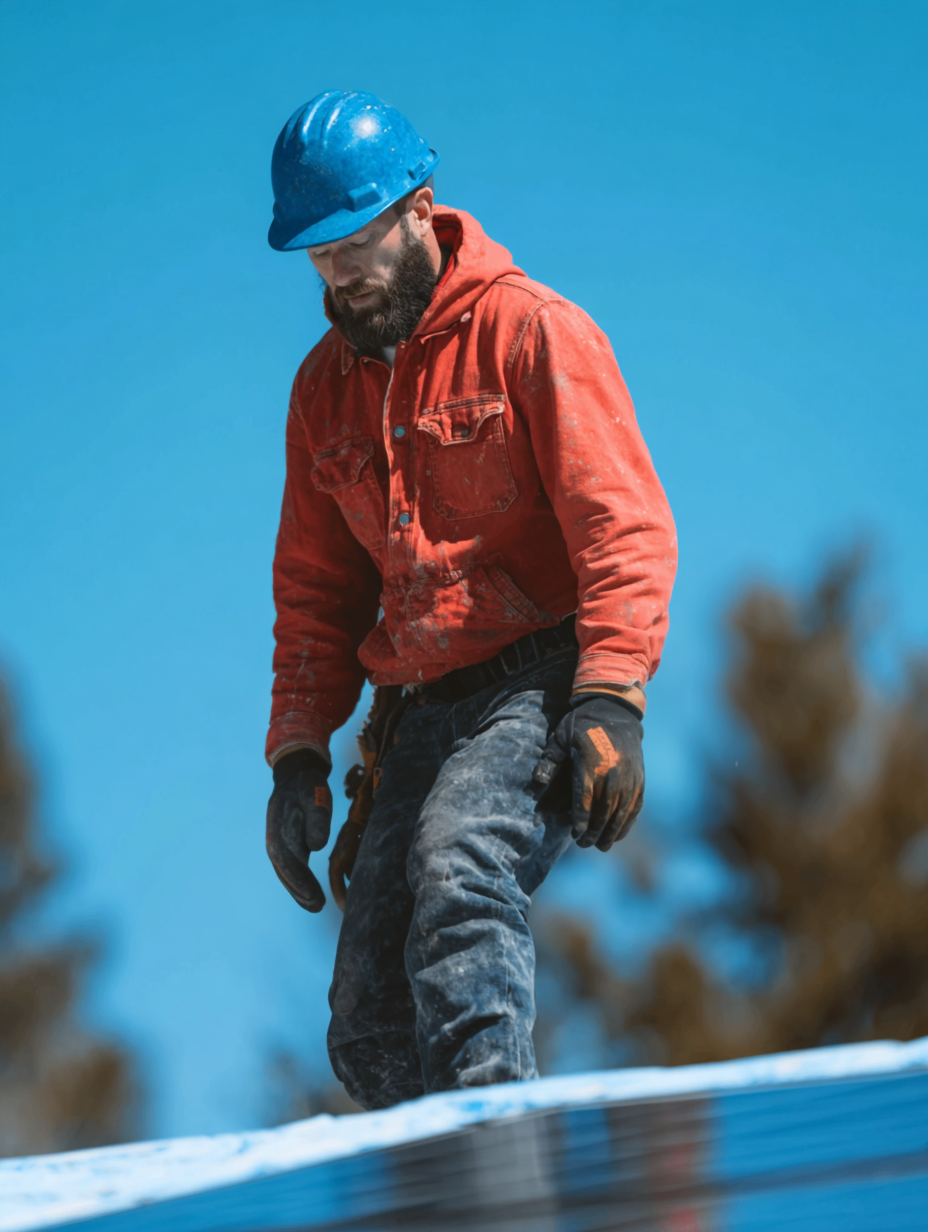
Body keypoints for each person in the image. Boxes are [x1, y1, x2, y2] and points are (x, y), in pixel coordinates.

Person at [264, 90, 677, 1110]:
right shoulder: (323, 390)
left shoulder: (533, 333)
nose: (341, 277)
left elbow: (621, 524)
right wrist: (299, 755)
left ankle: (496, 1148)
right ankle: (425, 1191)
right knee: (365, 1006)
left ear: (419, 208)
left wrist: (611, 697)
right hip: (419, 710)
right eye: (319, 257)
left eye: (356, 244)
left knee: (460, 871)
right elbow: (315, 592)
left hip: (537, 679)